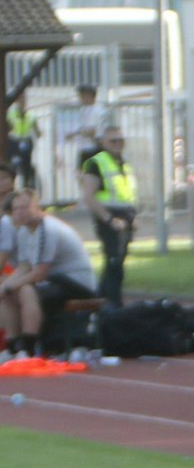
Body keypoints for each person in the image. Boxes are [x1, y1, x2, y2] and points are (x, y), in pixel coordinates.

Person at [0, 189, 96, 359]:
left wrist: (9, 286)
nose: (20, 213)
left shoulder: (48, 229)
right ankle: (12, 347)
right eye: (16, 209)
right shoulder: (24, 231)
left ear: (37, 207)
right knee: (7, 293)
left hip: (76, 281)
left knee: (26, 290)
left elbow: (39, 274)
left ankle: (28, 348)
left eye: (25, 207)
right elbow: (24, 266)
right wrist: (5, 287)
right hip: (55, 280)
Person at [78, 126, 138, 308]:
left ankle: (102, 303)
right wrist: (109, 220)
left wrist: (134, 217)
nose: (118, 144)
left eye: (121, 140)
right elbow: (88, 196)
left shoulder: (123, 164)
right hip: (110, 218)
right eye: (113, 140)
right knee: (114, 263)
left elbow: (127, 194)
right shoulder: (96, 163)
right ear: (103, 143)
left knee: (118, 263)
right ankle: (113, 305)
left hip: (125, 217)